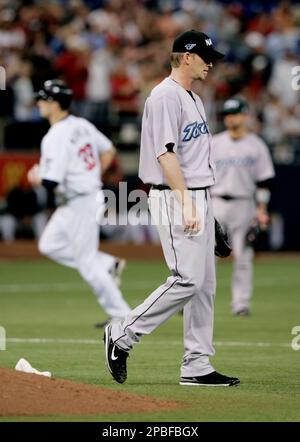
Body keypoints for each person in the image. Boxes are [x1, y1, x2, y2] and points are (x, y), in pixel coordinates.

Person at [104, 30, 240, 387]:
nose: (211, 63)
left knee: (205, 286)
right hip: (172, 194)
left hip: (196, 195)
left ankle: (196, 364)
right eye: (205, 56)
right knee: (187, 279)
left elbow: (192, 160)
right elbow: (165, 155)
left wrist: (208, 215)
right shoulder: (164, 96)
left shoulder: (191, 97)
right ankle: (122, 333)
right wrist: (186, 203)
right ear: (185, 57)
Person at [27, 79, 131, 324]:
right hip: (80, 198)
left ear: (54, 103)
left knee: (86, 263)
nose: (39, 102)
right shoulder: (81, 124)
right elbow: (109, 150)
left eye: (43, 98)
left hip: (81, 201)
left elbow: (51, 182)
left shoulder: (55, 135)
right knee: (49, 245)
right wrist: (93, 175)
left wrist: (35, 179)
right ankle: (107, 263)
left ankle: (122, 316)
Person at [211, 97, 275, 316]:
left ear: (245, 115)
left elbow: (265, 180)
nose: (231, 118)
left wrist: (262, 209)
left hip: (244, 204)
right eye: (228, 115)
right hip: (216, 202)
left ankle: (241, 304)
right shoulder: (215, 143)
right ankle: (197, 300)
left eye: (235, 114)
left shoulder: (256, 145)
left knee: (243, 256)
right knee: (208, 257)